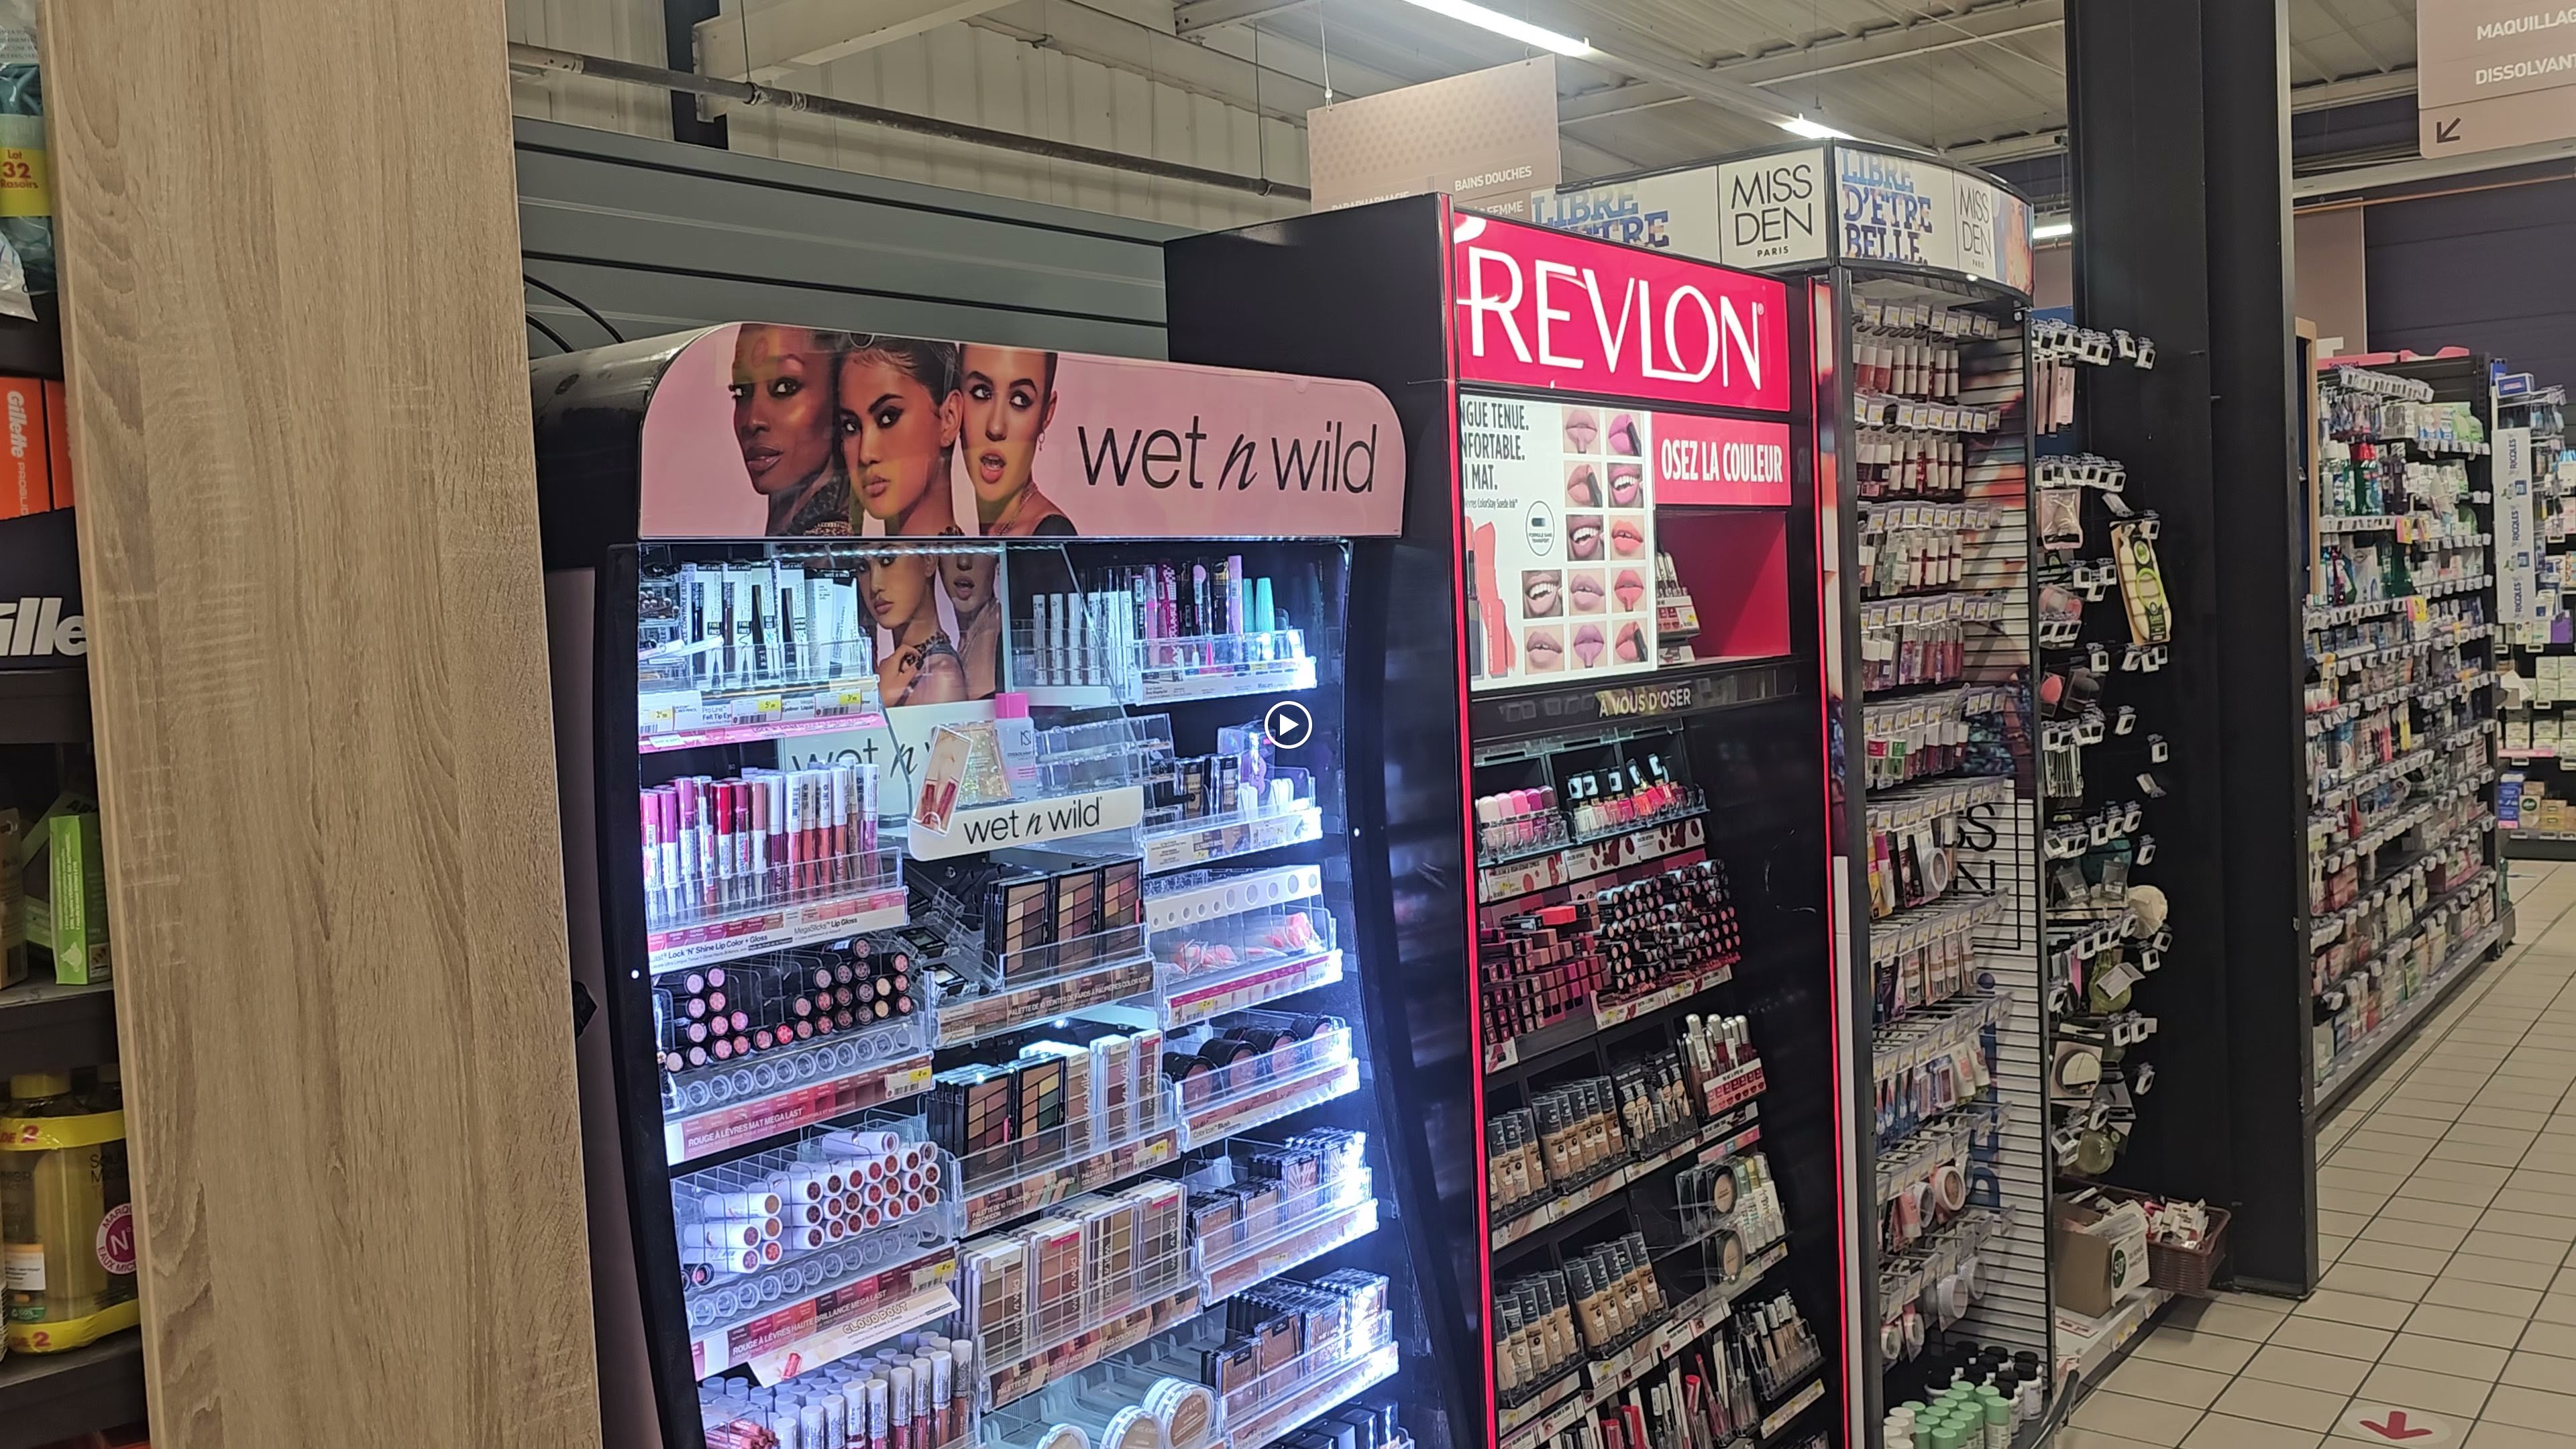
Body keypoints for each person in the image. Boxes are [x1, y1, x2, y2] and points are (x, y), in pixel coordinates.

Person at [839, 335, 965, 537]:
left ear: (949, 417)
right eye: (851, 427)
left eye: (888, 417)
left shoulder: (999, 556)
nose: (866, 454)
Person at [730, 325, 849, 536]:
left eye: (785, 387)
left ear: (838, 396)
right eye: (742, 391)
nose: (753, 420)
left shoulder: (826, 550)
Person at [959, 344, 1076, 537]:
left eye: (1020, 400)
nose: (996, 427)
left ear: (1046, 414)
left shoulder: (1050, 536)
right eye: (982, 392)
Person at [862, 547, 969, 707]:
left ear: (928, 560)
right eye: (863, 568)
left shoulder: (940, 677)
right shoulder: (901, 669)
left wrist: (878, 702)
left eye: (887, 560)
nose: (874, 585)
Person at [939, 549, 1005, 698]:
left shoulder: (1002, 638)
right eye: (951, 545)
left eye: (978, 547)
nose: (964, 562)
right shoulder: (959, 640)